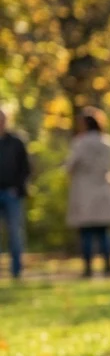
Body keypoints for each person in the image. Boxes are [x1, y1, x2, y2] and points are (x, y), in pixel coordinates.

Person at [66, 108, 110, 277]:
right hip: (104, 189)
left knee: (86, 233)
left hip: (85, 191)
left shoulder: (80, 143)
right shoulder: (108, 142)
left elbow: (71, 166)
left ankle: (88, 268)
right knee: (104, 231)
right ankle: (108, 266)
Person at [0, 108, 32, 279]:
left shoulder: (16, 142)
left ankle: (17, 270)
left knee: (15, 232)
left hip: (12, 193)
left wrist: (18, 188)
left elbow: (25, 168)